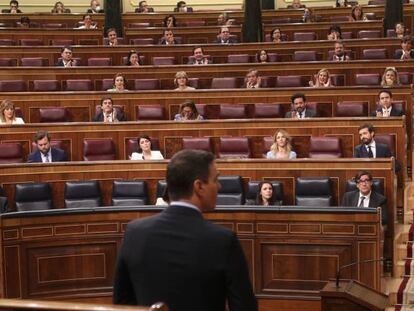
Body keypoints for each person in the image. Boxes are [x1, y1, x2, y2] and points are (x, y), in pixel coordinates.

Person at [113, 149, 257, 311]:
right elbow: (244, 306)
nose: (219, 185)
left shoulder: (134, 232)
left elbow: (122, 302)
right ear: (199, 186)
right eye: (215, 179)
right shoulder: (222, 240)